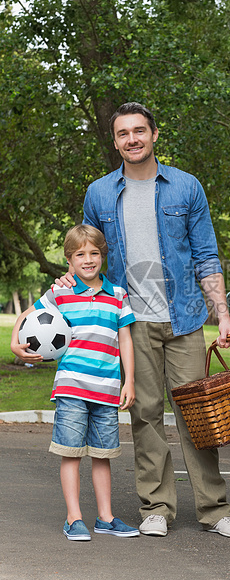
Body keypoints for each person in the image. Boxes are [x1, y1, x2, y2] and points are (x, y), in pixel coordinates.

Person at [57, 102, 230, 538]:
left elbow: (206, 256)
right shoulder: (100, 193)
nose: (132, 139)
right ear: (116, 140)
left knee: (197, 415)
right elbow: (89, 255)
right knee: (144, 414)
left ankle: (215, 511)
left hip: (185, 320)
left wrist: (224, 315)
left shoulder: (186, 187)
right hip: (130, 322)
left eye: (139, 131)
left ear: (155, 134)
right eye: (123, 133)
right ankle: (156, 507)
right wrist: (69, 280)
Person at [11, 225, 140, 541]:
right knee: (71, 452)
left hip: (107, 389)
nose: (88, 259)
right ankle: (74, 518)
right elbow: (28, 316)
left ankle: (106, 517)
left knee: (103, 455)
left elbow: (125, 339)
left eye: (94, 253)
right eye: (80, 254)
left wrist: (130, 380)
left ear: (102, 256)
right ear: (69, 258)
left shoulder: (118, 295)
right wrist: (16, 343)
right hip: (71, 386)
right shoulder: (60, 293)